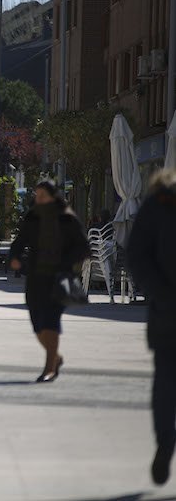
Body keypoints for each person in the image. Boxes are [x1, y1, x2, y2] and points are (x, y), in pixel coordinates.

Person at [9, 180, 89, 383]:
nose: (38, 198)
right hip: (36, 278)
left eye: (42, 194)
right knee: (37, 325)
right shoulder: (33, 217)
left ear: (53, 196)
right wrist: (15, 257)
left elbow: (83, 248)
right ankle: (56, 358)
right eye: (37, 195)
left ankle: (49, 368)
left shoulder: (67, 218)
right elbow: (19, 241)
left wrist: (65, 262)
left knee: (50, 322)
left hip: (60, 278)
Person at [128, 169, 176, 486]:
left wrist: (160, 295)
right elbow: (137, 256)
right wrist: (163, 295)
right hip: (168, 314)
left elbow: (136, 256)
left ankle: (164, 444)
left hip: (166, 313)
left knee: (166, 388)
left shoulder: (157, 202)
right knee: (166, 388)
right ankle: (164, 444)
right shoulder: (159, 203)